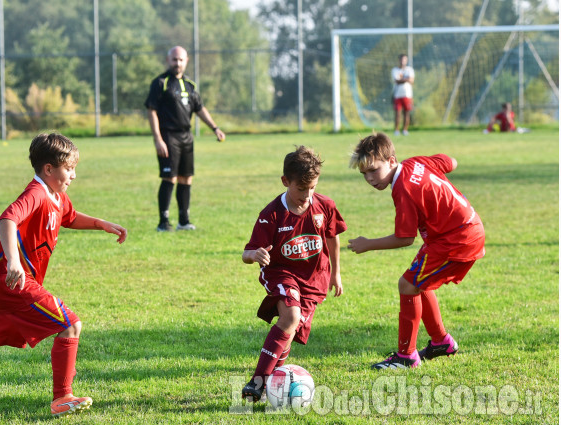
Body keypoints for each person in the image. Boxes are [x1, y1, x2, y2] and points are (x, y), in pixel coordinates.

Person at [0, 133, 128, 416]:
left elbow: (69, 217)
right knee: (70, 324)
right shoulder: (37, 193)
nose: (74, 175)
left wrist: (101, 223)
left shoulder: (56, 195)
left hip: (1, 281)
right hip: (14, 280)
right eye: (69, 168)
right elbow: (7, 219)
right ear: (49, 169)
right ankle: (62, 397)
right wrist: (14, 261)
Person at [347, 132, 485, 370]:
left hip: (457, 239)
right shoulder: (415, 162)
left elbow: (404, 238)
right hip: (459, 231)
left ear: (391, 161)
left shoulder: (403, 189)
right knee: (417, 283)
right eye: (364, 174)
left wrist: (367, 244)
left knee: (407, 284)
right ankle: (441, 342)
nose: (369, 178)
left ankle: (406, 356)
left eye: (373, 170)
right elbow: (450, 162)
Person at [241, 146, 346, 401]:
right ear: (285, 181)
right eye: (301, 189)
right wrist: (255, 255)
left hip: (314, 279)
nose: (307, 195)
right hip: (281, 273)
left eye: (312, 188)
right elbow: (247, 253)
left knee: (291, 330)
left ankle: (275, 380)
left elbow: (332, 239)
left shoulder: (325, 206)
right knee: (290, 316)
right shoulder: (272, 214)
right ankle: (257, 382)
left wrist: (336, 273)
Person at [144, 45, 226, 232]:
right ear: (168, 60)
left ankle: (184, 221)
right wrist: (158, 139)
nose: (177, 63)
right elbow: (152, 111)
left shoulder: (190, 85)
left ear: (186, 61)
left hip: (186, 137)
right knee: (169, 177)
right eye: (174, 60)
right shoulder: (160, 83)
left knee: (186, 178)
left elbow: (200, 109)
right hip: (168, 136)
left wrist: (215, 128)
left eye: (181, 60)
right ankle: (163, 222)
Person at [391, 53, 415, 136]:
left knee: (406, 113)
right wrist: (406, 79)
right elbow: (397, 81)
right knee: (397, 113)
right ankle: (396, 130)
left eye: (404, 59)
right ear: (399, 60)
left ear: (406, 60)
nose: (403, 61)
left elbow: (412, 81)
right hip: (397, 95)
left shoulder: (410, 70)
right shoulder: (395, 70)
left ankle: (405, 130)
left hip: (407, 95)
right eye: (401, 59)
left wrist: (402, 79)